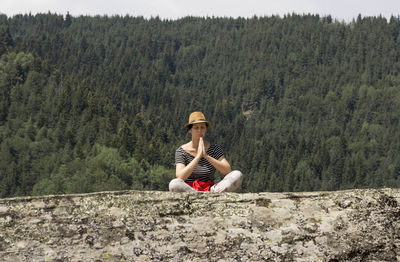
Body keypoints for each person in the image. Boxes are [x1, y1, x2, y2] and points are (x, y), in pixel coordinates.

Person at [169, 111, 243, 192]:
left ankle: (210, 196)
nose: (199, 130)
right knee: (174, 183)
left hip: (210, 189)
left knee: (237, 174)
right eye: (196, 128)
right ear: (190, 130)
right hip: (189, 189)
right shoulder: (181, 151)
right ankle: (197, 197)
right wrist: (198, 157)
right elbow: (180, 176)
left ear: (206, 129)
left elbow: (227, 170)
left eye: (202, 127)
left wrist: (206, 156)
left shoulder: (214, 148)